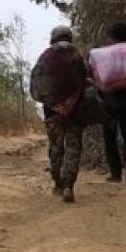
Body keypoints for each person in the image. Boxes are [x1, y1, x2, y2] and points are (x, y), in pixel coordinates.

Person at [37, 25, 88, 203]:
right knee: (73, 147)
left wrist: (50, 101)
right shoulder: (77, 54)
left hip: (52, 112)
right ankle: (68, 186)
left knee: (56, 148)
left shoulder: (45, 56)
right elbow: (85, 78)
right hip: (76, 111)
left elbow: (37, 84)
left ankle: (58, 183)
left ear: (53, 38)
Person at [100, 22, 126, 185]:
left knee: (110, 137)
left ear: (112, 37)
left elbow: (98, 76)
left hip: (109, 102)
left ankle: (115, 173)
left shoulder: (104, 55)